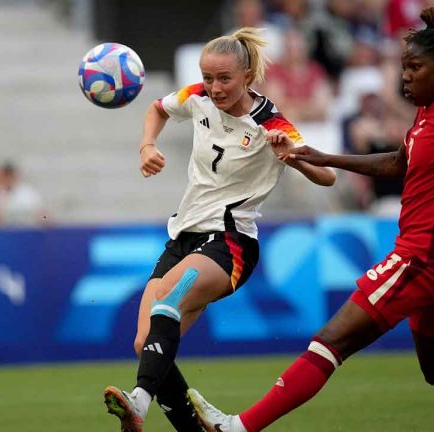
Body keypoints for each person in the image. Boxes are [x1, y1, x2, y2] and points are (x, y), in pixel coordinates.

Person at [188, 8, 434, 432]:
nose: (406, 77)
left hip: (426, 256)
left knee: (330, 342)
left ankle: (237, 428)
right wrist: (323, 157)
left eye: (415, 68)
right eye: (404, 68)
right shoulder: (430, 114)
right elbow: (397, 164)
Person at [102, 27, 336, 432]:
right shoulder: (197, 96)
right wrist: (147, 145)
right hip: (184, 237)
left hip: (230, 243)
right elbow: (156, 108)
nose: (214, 87)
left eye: (223, 78)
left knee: (167, 302)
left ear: (247, 75)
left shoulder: (269, 121)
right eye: (208, 77)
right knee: (146, 344)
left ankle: (138, 402)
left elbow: (328, 176)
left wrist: (291, 156)